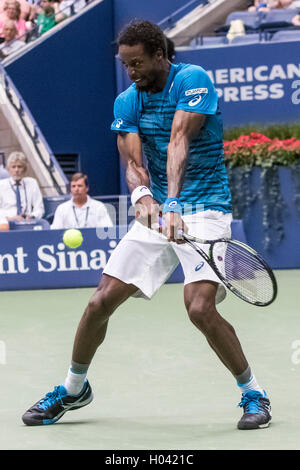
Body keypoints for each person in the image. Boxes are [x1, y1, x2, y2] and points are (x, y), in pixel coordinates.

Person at [22, 20, 272, 430]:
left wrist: (171, 202)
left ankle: (254, 394)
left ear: (160, 54)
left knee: (199, 308)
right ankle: (72, 388)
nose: (131, 71)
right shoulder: (127, 100)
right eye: (125, 64)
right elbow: (134, 164)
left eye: (137, 62)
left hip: (206, 207)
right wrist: (143, 199)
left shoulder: (192, 80)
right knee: (100, 301)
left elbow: (178, 140)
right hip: (158, 210)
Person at [0, 151, 44, 229]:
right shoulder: (1, 185)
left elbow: (39, 208)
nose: (16, 170)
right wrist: (10, 218)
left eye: (19, 167)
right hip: (6, 223)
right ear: (8, 169)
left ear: (24, 169)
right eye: (13, 167)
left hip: (28, 223)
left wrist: (31, 216)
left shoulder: (32, 183)